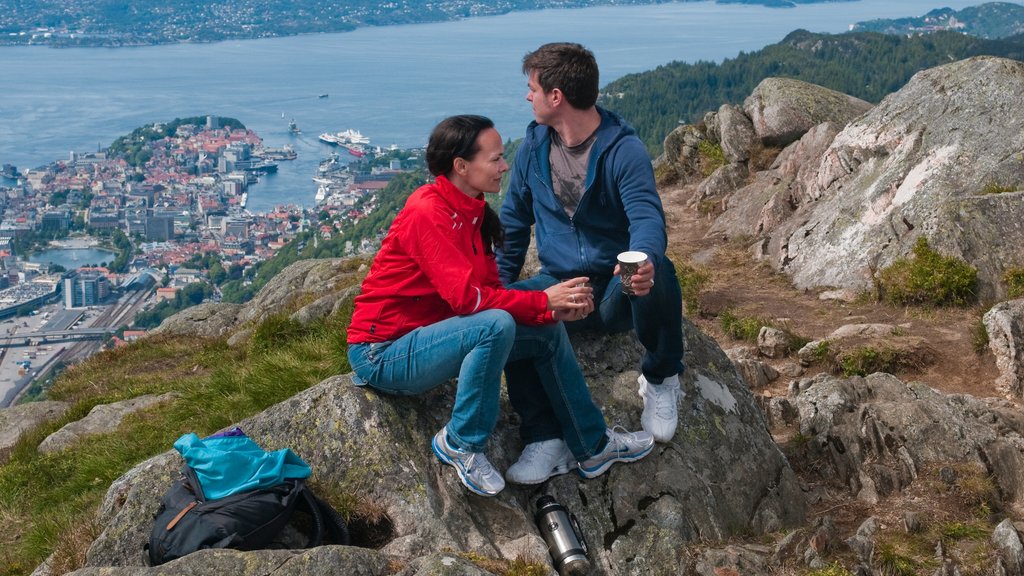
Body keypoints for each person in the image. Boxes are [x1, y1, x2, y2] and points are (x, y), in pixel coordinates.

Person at [347, 115, 654, 497]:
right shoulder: (428, 211)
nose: (505, 166)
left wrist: (548, 311)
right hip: (382, 353)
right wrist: (542, 298)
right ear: (461, 166)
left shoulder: (474, 213)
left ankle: (591, 446)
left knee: (542, 327)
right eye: (494, 159)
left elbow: (491, 289)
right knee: (497, 324)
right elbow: (468, 301)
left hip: (431, 338)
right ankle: (461, 441)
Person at [498, 43, 686, 447]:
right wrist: (496, 288)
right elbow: (513, 224)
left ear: (556, 96)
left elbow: (646, 217)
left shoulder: (622, 150)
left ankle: (662, 376)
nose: (527, 96)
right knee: (503, 310)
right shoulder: (532, 150)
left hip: (616, 290)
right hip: (563, 288)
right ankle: (542, 436)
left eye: (532, 88)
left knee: (661, 271)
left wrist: (645, 260)